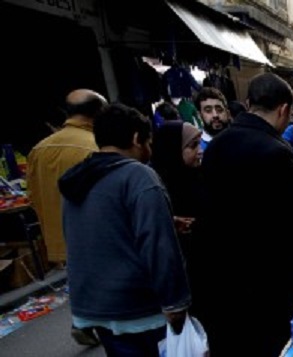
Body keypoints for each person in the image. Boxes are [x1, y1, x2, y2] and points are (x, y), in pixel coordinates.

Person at [194, 73, 293, 356]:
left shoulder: (217, 145)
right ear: (284, 109)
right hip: (267, 280)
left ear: (248, 104)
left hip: (222, 277)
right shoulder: (275, 150)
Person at [58, 103, 190, 355]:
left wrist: (167, 220)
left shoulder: (77, 177)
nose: (149, 150)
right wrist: (175, 302)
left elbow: (92, 231)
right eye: (148, 142)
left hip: (96, 306)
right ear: (136, 139)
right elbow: (159, 246)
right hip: (136, 307)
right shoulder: (139, 176)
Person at [26, 89, 107, 346]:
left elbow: (33, 196)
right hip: (93, 232)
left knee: (78, 276)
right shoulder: (95, 146)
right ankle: (92, 321)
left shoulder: (39, 149)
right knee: (102, 278)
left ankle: (82, 319)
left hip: (58, 233)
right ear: (98, 114)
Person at [150, 122, 204, 254]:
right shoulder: (156, 187)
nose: (200, 151)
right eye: (193, 145)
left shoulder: (201, 176)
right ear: (173, 148)